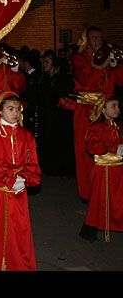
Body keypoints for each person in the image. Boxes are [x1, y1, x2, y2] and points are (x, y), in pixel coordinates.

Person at [0, 92, 41, 271]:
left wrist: (25, 179)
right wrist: (9, 179)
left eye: (18, 109)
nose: (15, 113)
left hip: (19, 193)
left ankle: (19, 264)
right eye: (10, 109)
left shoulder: (26, 135)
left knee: (19, 232)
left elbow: (32, 164)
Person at [70, 27, 123, 200]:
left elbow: (117, 80)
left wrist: (116, 65)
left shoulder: (106, 59)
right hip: (87, 109)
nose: (98, 41)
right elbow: (86, 78)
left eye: (100, 38)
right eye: (94, 38)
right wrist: (101, 62)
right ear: (86, 40)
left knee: (110, 146)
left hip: (107, 109)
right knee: (87, 152)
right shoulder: (78, 59)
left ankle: (108, 190)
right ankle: (90, 193)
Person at [79, 95, 123, 243]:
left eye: (118, 106)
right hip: (104, 170)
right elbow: (92, 147)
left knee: (118, 201)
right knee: (99, 201)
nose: (117, 109)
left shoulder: (118, 126)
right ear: (103, 109)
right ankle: (89, 229)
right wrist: (115, 148)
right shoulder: (96, 127)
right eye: (113, 106)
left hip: (118, 170)